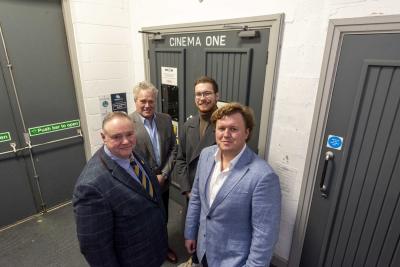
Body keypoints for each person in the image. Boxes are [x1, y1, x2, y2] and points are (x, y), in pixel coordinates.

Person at [184, 103, 281, 267]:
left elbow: (264, 235)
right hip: (203, 249)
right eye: (221, 128)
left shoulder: (263, 176)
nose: (226, 134)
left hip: (234, 261)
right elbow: (196, 199)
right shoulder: (207, 155)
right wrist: (190, 233)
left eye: (233, 129)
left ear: (247, 132)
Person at [73, 111, 167, 267]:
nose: (125, 141)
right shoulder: (90, 187)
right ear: (103, 137)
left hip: (153, 249)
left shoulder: (134, 153)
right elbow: (95, 248)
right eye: (116, 137)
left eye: (129, 134)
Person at [129, 81, 178, 263]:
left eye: (151, 101)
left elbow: (174, 148)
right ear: (135, 101)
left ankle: (163, 246)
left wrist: (164, 174)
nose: (147, 105)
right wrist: (150, 178)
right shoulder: (128, 123)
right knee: (143, 220)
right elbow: (127, 156)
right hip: (140, 183)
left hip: (163, 182)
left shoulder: (165, 119)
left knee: (162, 217)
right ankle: (147, 250)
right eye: (143, 101)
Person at [173, 76, 219, 266]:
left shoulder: (224, 126)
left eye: (207, 93)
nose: (202, 98)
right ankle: (193, 260)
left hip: (214, 194)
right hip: (191, 192)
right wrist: (188, 190)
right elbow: (180, 158)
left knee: (211, 237)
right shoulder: (188, 125)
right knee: (191, 232)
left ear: (217, 95)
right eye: (198, 94)